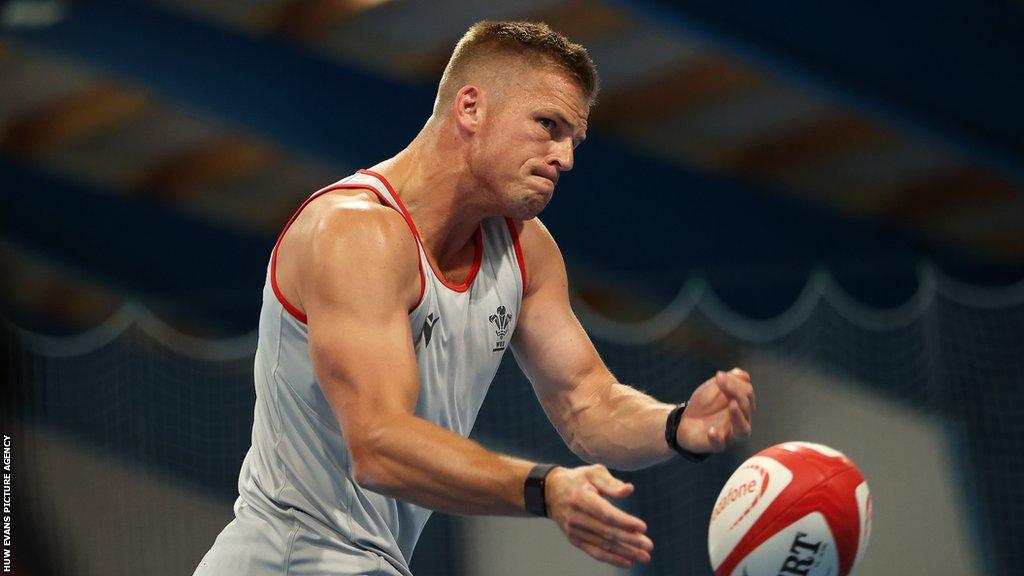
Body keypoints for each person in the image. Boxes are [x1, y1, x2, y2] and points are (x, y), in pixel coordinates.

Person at [193, 20, 754, 576]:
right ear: (470, 108)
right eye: (548, 125)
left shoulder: (526, 250)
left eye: (572, 139)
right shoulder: (356, 234)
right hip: (288, 560)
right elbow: (378, 444)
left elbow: (587, 401)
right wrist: (545, 488)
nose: (566, 158)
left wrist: (676, 424)